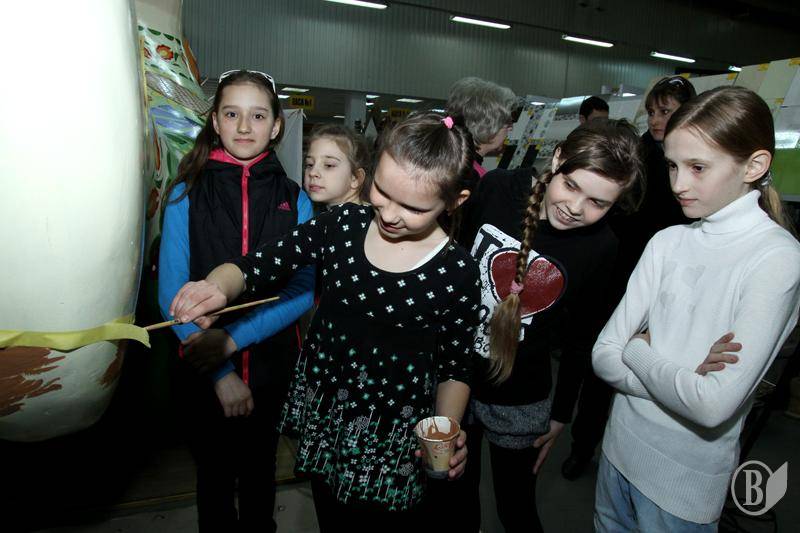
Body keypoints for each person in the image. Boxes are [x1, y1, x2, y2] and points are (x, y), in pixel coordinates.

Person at [167, 112, 481, 532]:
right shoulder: (342, 225)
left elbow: (455, 365)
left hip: (394, 433)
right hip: (329, 414)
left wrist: (446, 429)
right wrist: (217, 287)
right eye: (381, 192)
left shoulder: (457, 271)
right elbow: (260, 263)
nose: (389, 214)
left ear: (456, 200)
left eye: (413, 207)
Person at [593, 86, 800, 531]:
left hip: (680, 487)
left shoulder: (776, 258)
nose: (678, 184)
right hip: (617, 453)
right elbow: (602, 354)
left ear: (754, 166)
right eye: (672, 165)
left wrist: (637, 350)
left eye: (697, 167)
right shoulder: (667, 241)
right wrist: (684, 378)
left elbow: (711, 406)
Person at [460, 119, 645, 532]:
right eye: (571, 186)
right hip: (455, 378)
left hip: (521, 397)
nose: (576, 208)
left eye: (598, 203)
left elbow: (583, 336)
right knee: (455, 501)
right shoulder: (497, 188)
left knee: (517, 509)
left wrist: (562, 414)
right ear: (558, 159)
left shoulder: (602, 245)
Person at [157, 69, 315, 532]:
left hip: (271, 371)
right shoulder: (186, 193)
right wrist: (221, 374)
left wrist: (231, 341)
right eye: (232, 114)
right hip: (203, 375)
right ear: (215, 121)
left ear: (277, 125)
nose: (245, 127)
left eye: (258, 115)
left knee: (260, 483)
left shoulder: (295, 199)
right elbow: (171, 297)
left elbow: (304, 288)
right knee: (214, 486)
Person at [562, 75, 697, 480]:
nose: (656, 119)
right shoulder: (635, 153)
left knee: (647, 364)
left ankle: (629, 454)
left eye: (665, 111)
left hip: (664, 285)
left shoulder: (691, 165)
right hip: (615, 274)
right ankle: (582, 445)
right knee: (598, 360)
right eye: (652, 111)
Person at [445, 76, 518, 180]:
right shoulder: (472, 177)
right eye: (508, 122)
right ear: (487, 124)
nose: (511, 128)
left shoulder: (450, 163)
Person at [304, 123, 371, 207]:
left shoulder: (361, 215)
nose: (312, 173)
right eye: (310, 164)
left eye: (329, 165)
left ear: (356, 178)